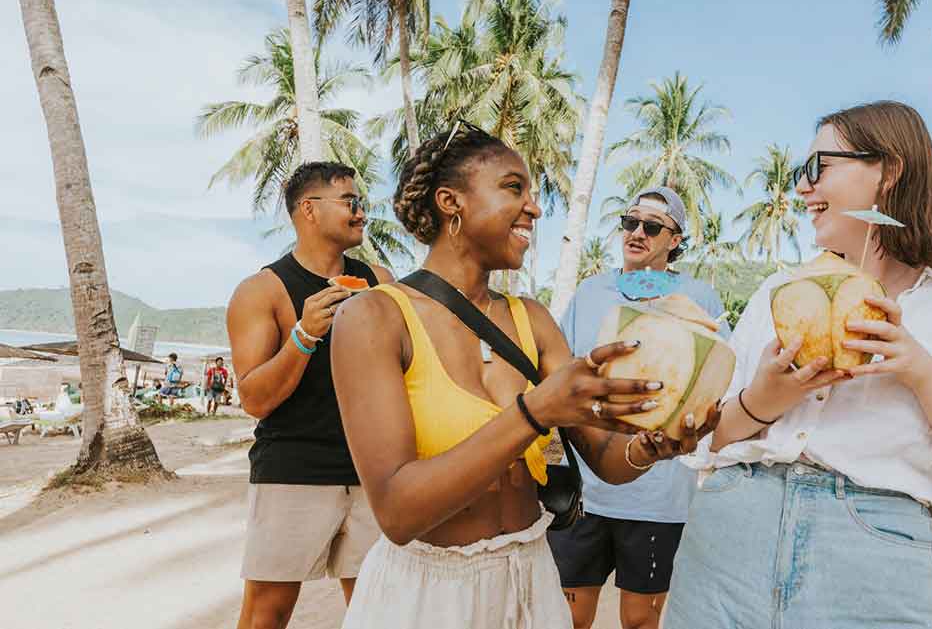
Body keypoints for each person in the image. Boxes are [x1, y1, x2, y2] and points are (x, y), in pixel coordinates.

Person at [663, 101, 932, 629]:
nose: (802, 188)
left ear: (889, 170)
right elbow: (713, 440)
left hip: (873, 557)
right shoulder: (779, 290)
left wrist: (920, 371)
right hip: (730, 531)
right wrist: (766, 398)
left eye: (818, 168)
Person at [329, 124, 719, 629]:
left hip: (531, 578)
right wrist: (535, 412)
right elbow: (398, 513)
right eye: (514, 188)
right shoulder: (374, 317)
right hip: (427, 594)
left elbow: (606, 460)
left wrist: (650, 447)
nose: (534, 207)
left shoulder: (531, 318)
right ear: (452, 202)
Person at [550, 186, 728, 629]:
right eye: (630, 222)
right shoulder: (591, 292)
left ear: (675, 240)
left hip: (658, 496)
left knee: (639, 621)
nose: (637, 232)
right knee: (568, 616)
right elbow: (562, 376)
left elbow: (716, 382)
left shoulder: (699, 299)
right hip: (586, 490)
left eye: (652, 226)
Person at [226, 162, 395, 629]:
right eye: (350, 202)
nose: (362, 213)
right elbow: (255, 400)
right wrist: (303, 335)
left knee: (378, 612)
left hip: (371, 473)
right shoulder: (262, 290)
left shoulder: (380, 280)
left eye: (362, 202)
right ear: (309, 210)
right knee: (267, 615)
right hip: (292, 470)